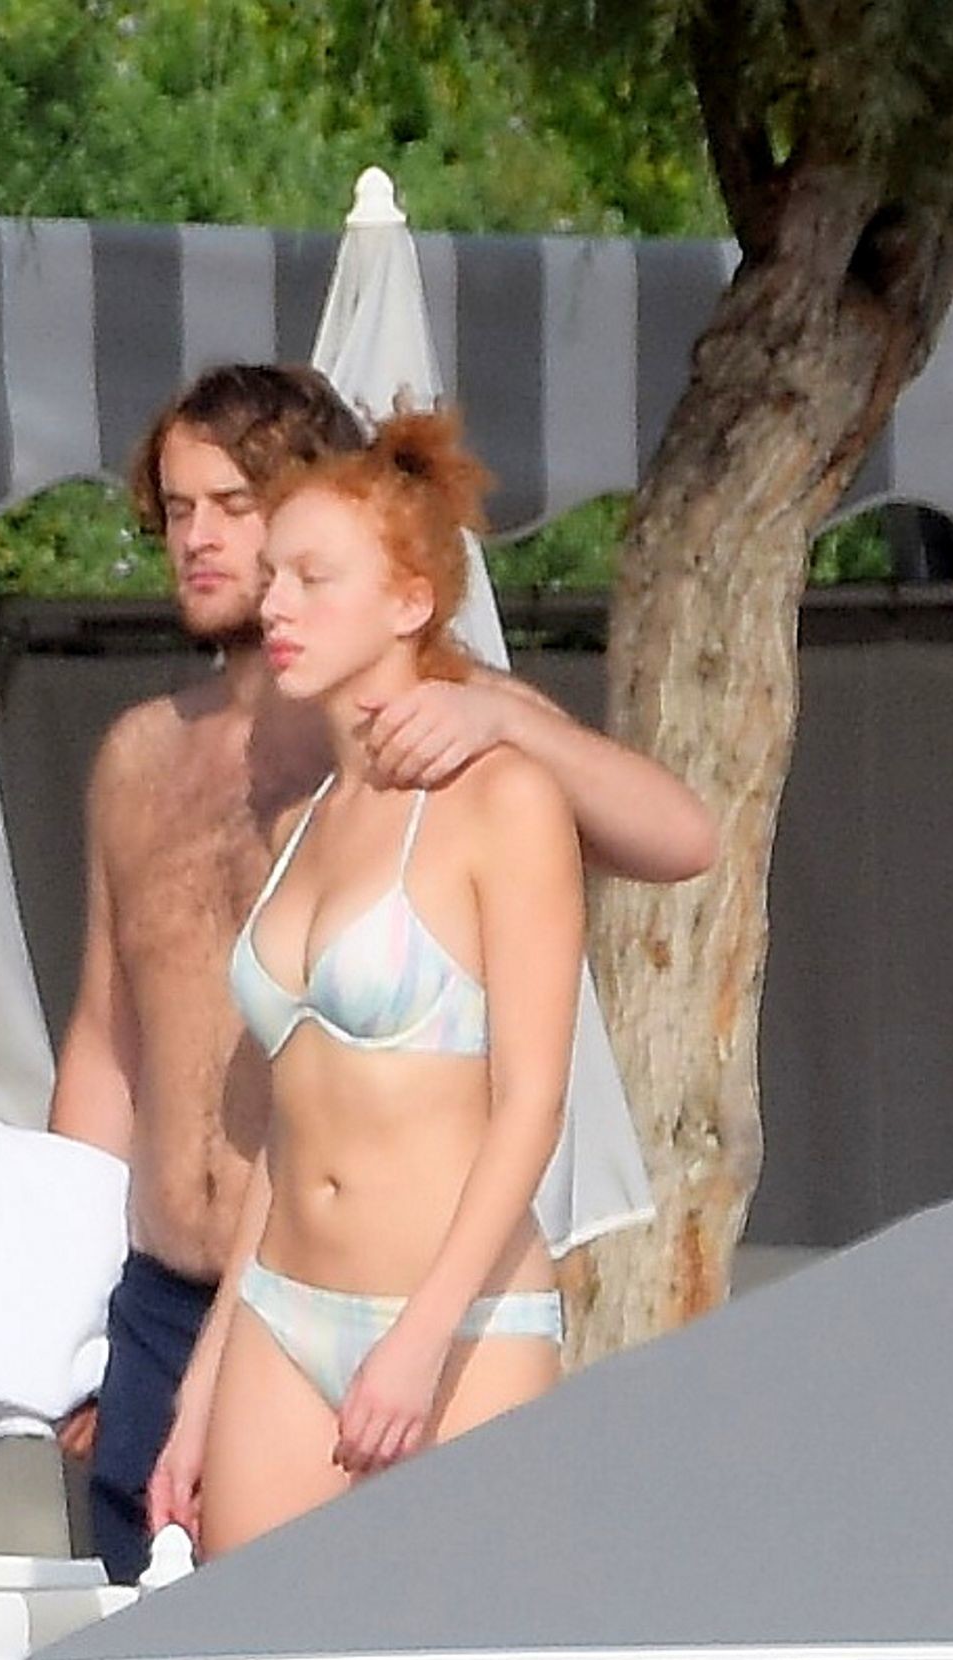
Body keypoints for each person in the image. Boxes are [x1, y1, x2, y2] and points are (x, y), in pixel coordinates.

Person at [49, 364, 716, 1580]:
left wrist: (510, 719)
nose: (214, 551)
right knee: (224, 1659)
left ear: (403, 597)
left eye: (237, 514)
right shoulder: (209, 776)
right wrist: (109, 1342)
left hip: (442, 1309)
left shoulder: (468, 750)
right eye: (176, 511)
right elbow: (170, 1070)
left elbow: (671, 856)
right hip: (233, 1298)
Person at [149, 409, 581, 1549]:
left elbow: (533, 1103)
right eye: (273, 579)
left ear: (408, 603)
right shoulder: (305, 823)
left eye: (312, 579)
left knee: (461, 1650)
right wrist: (203, 1383)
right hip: (279, 1312)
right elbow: (282, 1135)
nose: (276, 607)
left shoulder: (502, 802)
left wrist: (420, 1338)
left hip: (460, 1320)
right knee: (248, 1647)